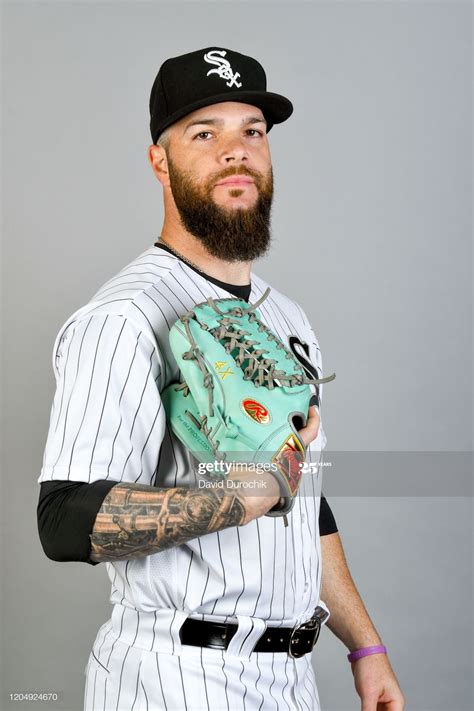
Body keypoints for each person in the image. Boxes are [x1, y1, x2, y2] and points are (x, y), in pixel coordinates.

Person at [37, 47, 405, 711]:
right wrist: (239, 496)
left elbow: (305, 502)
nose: (235, 151)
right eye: (204, 133)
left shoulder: (285, 316)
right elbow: (64, 518)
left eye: (252, 132)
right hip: (174, 675)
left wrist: (366, 645)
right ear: (160, 160)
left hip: (291, 677)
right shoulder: (125, 316)